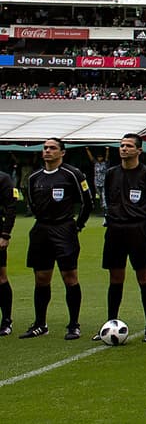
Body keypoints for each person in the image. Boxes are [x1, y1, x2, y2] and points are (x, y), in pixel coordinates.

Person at [21, 138, 93, 339]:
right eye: (45, 148)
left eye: (52, 148)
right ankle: (40, 324)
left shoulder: (73, 174)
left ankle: (73, 325)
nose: (47, 151)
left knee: (70, 278)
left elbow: (87, 203)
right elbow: (32, 203)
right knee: (41, 278)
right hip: (41, 230)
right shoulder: (34, 177)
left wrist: (77, 226)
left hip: (65, 230)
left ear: (62, 152)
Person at [97, 133, 146, 343]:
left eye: (128, 146)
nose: (123, 149)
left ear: (138, 150)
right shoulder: (111, 173)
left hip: (138, 230)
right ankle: (110, 324)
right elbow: (108, 195)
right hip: (115, 229)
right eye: (121, 145)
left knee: (144, 276)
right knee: (115, 278)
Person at [0, 164, 18, 336]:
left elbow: (11, 207)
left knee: (1, 276)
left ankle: (6, 321)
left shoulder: (3, 178)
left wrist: (5, 234)